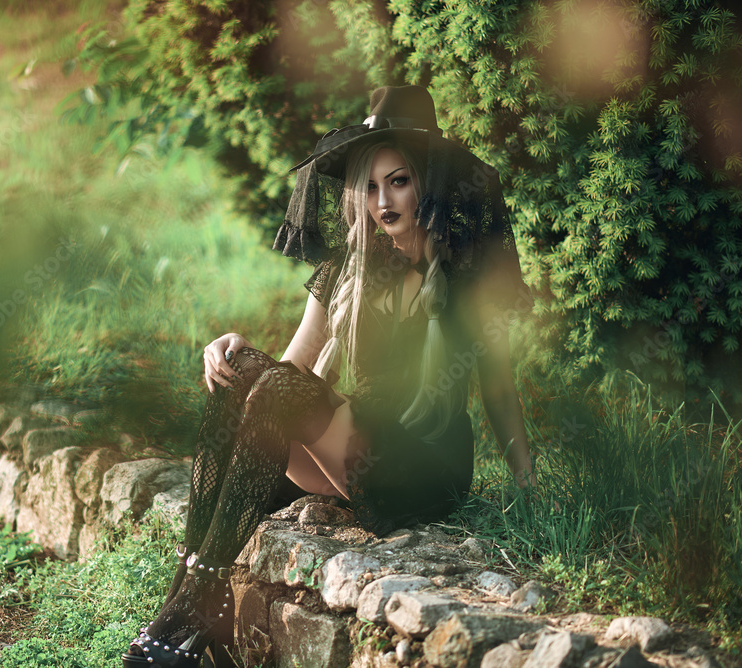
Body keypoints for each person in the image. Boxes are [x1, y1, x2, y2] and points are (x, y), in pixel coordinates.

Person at [121, 85, 536, 668]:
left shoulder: (465, 275)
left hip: (421, 463)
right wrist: (236, 350)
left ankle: (195, 609)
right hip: (351, 449)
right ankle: (193, 597)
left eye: (398, 180)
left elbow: (497, 385)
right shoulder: (350, 264)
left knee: (274, 392)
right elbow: (294, 364)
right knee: (241, 373)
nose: (382, 200)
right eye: (369, 185)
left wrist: (528, 485)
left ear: (429, 183)